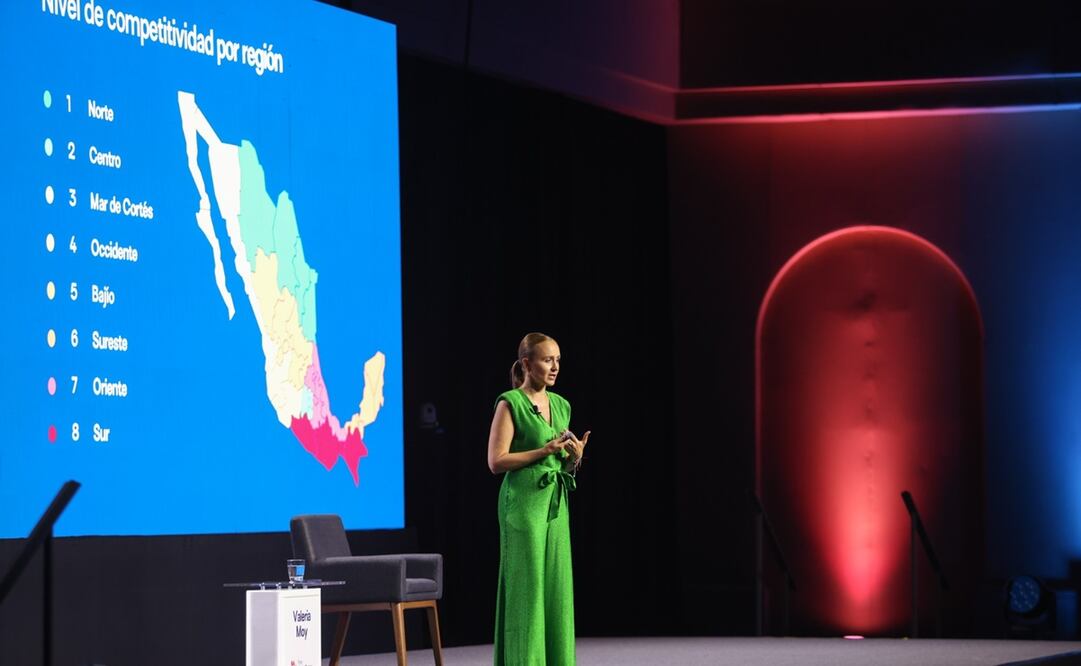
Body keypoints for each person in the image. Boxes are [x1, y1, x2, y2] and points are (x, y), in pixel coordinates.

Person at [488, 332, 590, 665]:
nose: (555, 367)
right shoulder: (510, 403)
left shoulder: (561, 405)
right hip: (522, 503)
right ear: (527, 364)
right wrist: (543, 451)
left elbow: (561, 461)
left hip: (555, 503)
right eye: (547, 360)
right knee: (528, 589)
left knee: (557, 589)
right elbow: (496, 461)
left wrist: (575, 457)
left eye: (558, 360)